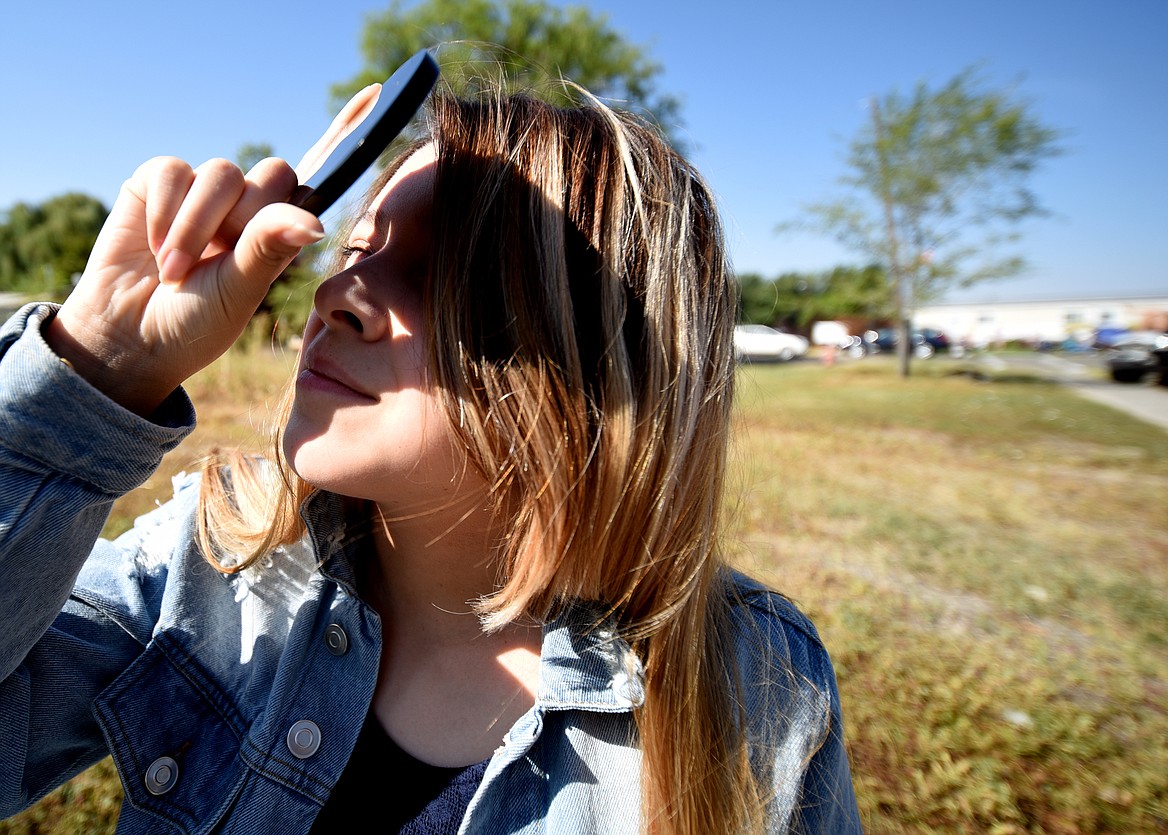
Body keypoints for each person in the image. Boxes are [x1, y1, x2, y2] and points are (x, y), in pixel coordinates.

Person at [0, 76, 861, 834]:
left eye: (441, 275)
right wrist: (95, 372)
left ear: (607, 368)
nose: (339, 295)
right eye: (357, 249)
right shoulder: (215, 559)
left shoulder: (751, 681)